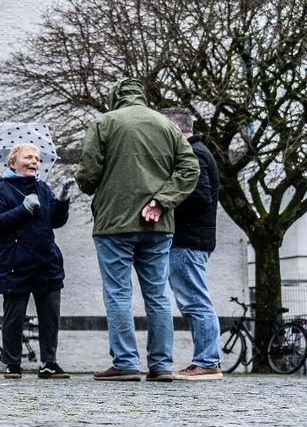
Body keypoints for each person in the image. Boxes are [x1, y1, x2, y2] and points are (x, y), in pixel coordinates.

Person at [74, 78, 201, 382]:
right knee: (157, 294)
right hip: (157, 224)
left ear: (115, 96)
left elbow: (88, 175)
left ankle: (126, 362)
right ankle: (161, 365)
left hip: (113, 222)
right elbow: (190, 169)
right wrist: (161, 200)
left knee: (118, 292)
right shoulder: (168, 126)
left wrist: (87, 182)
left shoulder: (105, 123)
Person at [0, 143, 73, 379]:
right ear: (13, 162)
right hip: (15, 264)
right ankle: (13, 364)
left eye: (37, 158)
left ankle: (49, 363)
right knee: (14, 318)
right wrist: (23, 209)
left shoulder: (43, 188)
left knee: (50, 316)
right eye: (28, 157)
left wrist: (63, 200)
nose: (35, 161)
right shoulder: (0, 191)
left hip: (47, 262)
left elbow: (55, 221)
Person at [164, 108, 223, 381]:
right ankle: (206, 360)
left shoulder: (194, 153)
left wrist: (164, 205)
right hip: (193, 239)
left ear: (174, 129)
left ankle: (207, 361)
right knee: (195, 300)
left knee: (195, 302)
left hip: (188, 240)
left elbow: (199, 196)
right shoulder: (197, 151)